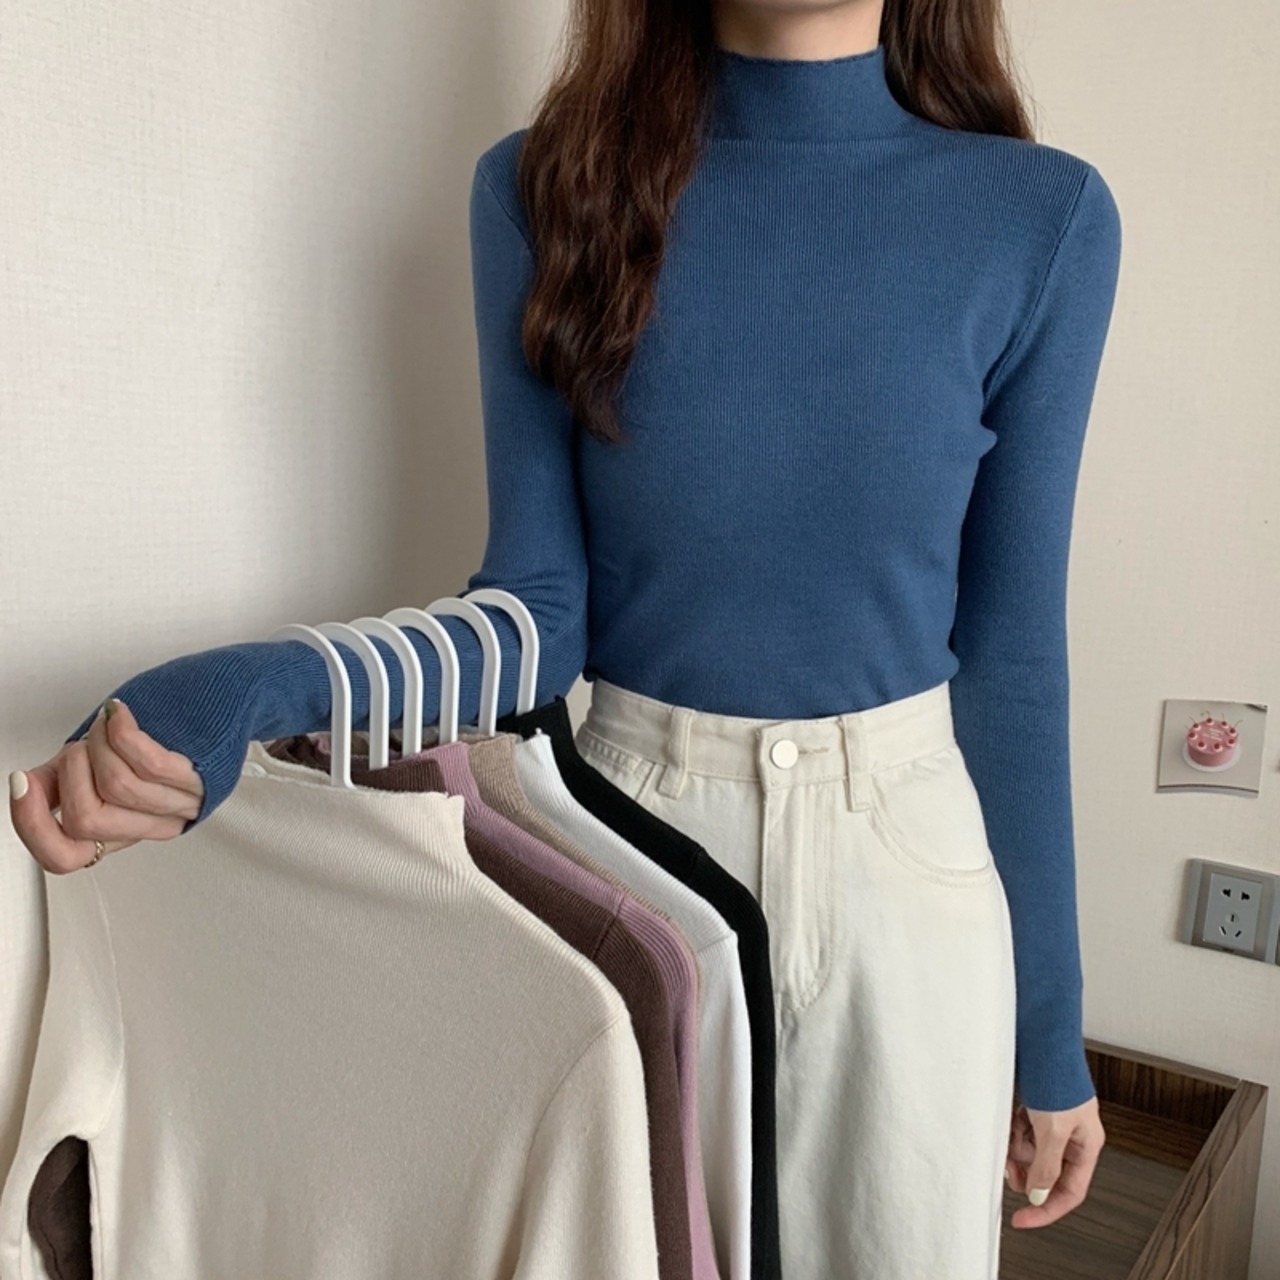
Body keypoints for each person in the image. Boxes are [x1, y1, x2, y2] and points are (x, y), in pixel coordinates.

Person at [8, 0, 1122, 1276]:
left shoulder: (1039, 218)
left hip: (909, 886)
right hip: (629, 840)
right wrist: (251, 689)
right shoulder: (546, 191)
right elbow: (532, 621)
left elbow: (1012, 658)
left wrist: (1049, 1031)